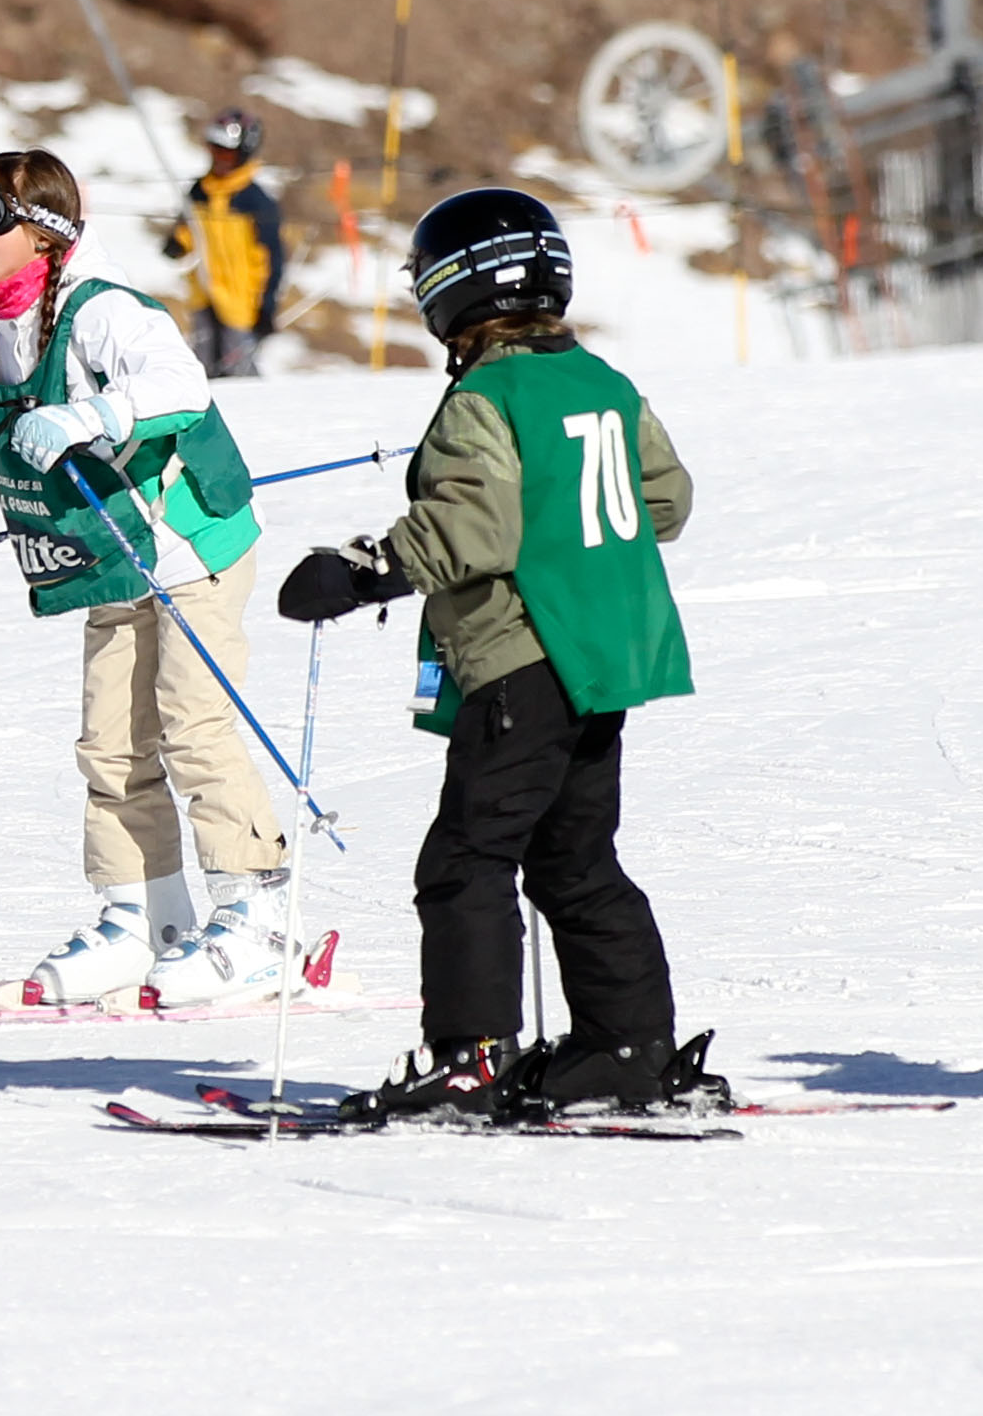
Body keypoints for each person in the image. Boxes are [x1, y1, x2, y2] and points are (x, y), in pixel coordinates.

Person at [277, 187, 716, 1121]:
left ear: (453, 291)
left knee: (467, 859)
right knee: (575, 862)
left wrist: (363, 571)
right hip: (602, 664)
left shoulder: (485, 395)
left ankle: (471, 1058)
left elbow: (475, 521)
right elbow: (664, 503)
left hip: (523, 658)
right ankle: (624, 1049)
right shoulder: (601, 381)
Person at [0, 150, 288, 1008]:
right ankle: (143, 919)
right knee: (111, 744)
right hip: (110, 552)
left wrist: (92, 415)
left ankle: (257, 920)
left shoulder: (102, 310)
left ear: (45, 234)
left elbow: (183, 385)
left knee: (194, 726)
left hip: (191, 540)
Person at [159, 106, 284, 378]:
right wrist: (178, 244)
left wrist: (267, 307)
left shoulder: (255, 201)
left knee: (236, 367)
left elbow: (271, 260)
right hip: (204, 294)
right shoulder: (199, 191)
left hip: (241, 304)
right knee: (202, 365)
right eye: (215, 151)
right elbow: (189, 228)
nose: (220, 161)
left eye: (227, 153)